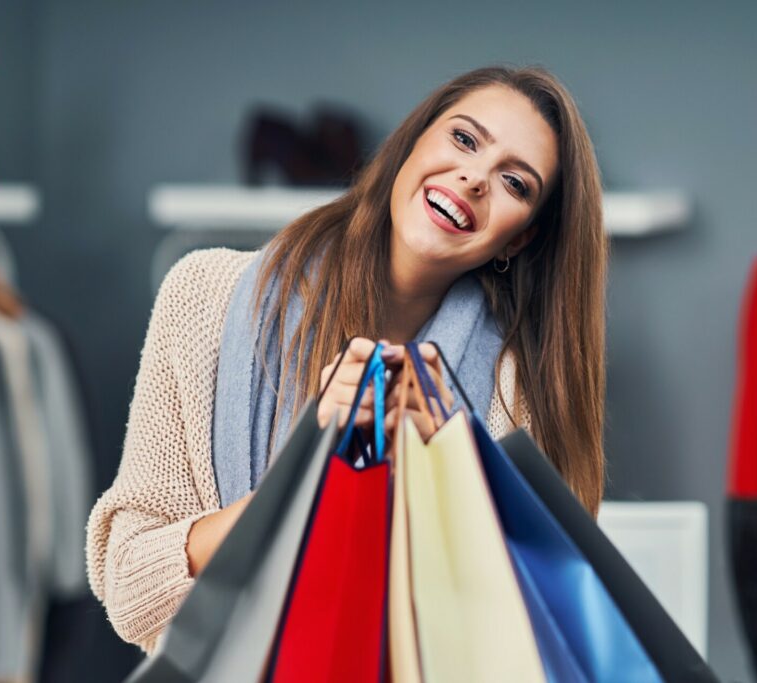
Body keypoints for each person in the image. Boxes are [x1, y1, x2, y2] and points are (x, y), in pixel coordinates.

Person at [85, 64, 607, 653]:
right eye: (464, 139)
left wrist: (449, 467)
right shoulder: (203, 297)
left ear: (519, 239)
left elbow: (533, 641)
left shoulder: (516, 387)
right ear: (412, 143)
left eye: (516, 183)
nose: (474, 177)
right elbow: (129, 588)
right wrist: (306, 477)